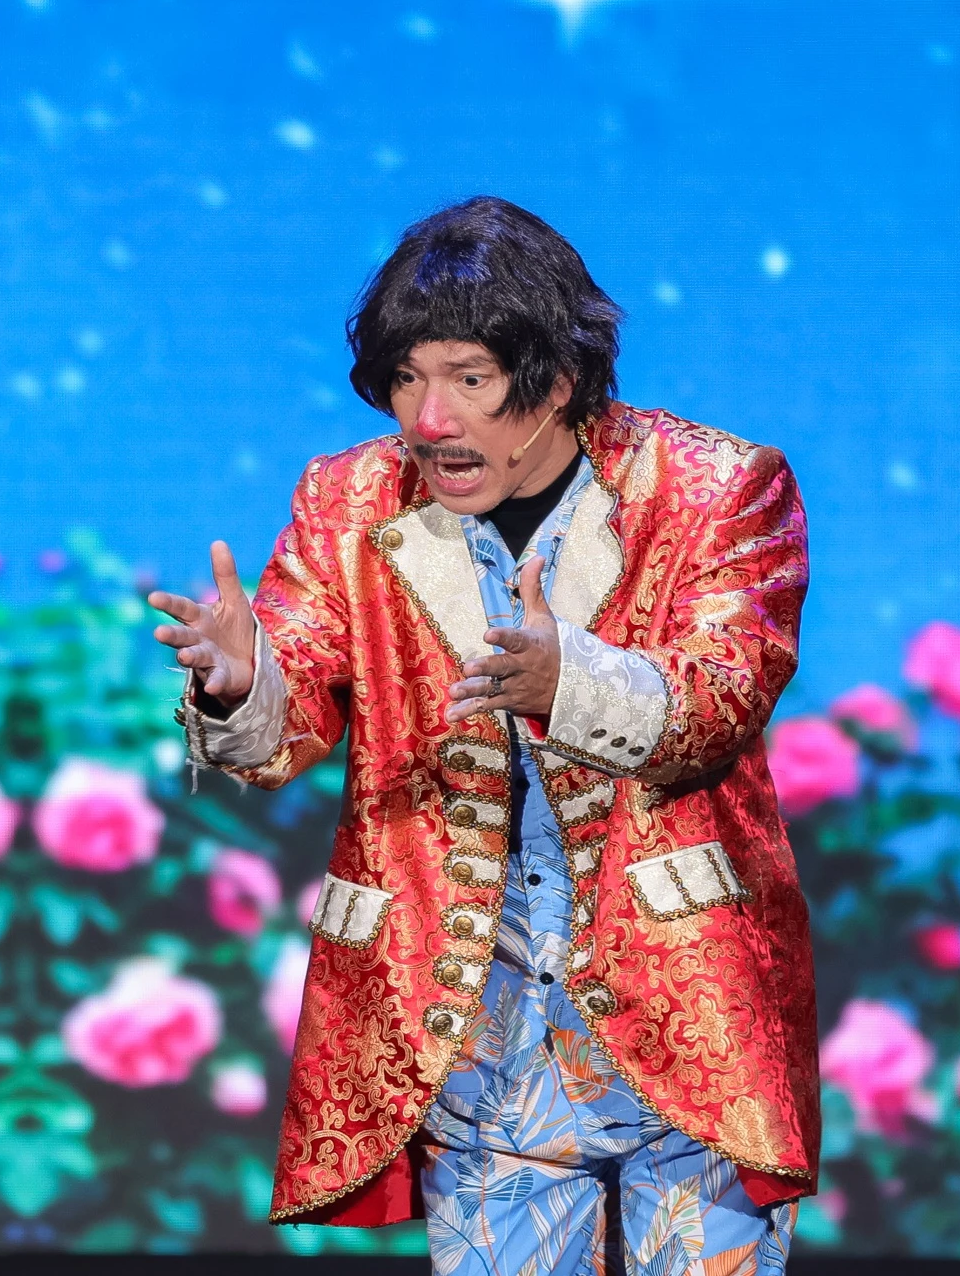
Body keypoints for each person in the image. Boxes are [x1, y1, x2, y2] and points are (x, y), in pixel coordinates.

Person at [152, 197, 819, 1274]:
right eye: (406, 378)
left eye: (468, 378)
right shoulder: (348, 498)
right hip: (475, 1043)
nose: (429, 418)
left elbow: (719, 700)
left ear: (555, 379)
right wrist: (240, 685)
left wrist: (571, 680)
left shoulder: (715, 488)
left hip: (681, 1031)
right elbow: (292, 709)